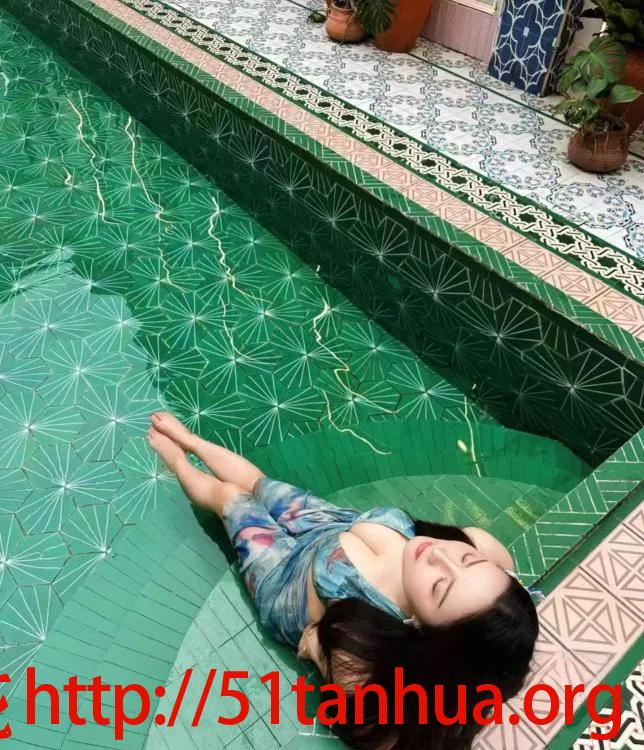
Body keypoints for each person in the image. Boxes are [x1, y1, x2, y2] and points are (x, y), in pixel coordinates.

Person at [147, 412, 539, 750]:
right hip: (331, 527)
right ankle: (191, 440)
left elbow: (370, 726)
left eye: (440, 587)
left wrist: (317, 647)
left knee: (232, 499)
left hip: (286, 584)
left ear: (422, 628)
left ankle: (177, 461)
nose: (439, 554)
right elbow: (499, 600)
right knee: (261, 485)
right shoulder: (480, 551)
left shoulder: (366, 640)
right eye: (467, 560)